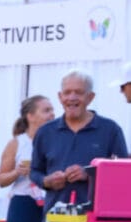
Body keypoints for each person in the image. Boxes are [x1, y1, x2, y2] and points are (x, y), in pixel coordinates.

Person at [29, 70, 127, 211]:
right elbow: (35, 171)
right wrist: (46, 181)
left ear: (90, 97)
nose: (72, 97)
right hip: (54, 216)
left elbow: (123, 174)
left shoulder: (110, 130)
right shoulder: (45, 132)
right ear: (60, 96)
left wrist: (89, 175)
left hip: (96, 217)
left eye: (79, 92)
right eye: (67, 92)